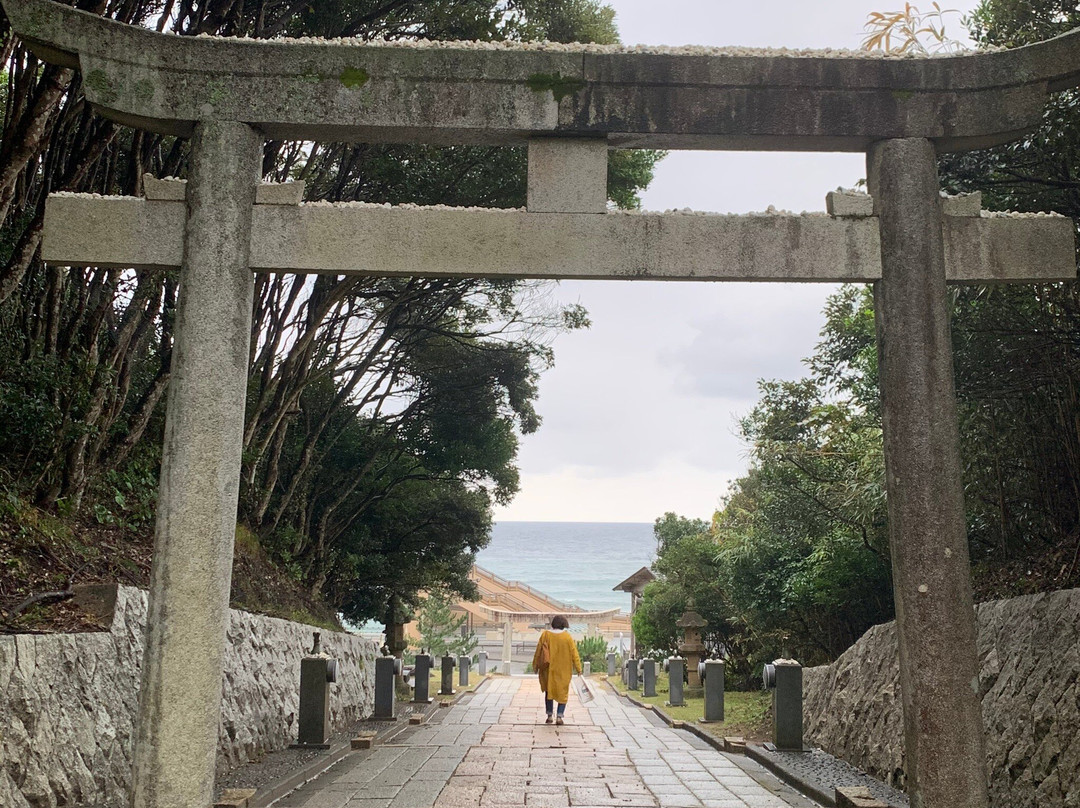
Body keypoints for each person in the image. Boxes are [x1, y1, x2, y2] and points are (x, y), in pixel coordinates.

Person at [532, 615, 582, 725]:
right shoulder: (567, 637)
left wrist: (535, 665)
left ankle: (549, 715)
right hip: (563, 670)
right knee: (563, 692)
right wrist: (579, 668)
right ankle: (559, 716)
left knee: (549, 691)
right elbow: (574, 654)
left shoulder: (545, 635)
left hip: (548, 669)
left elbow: (538, 651)